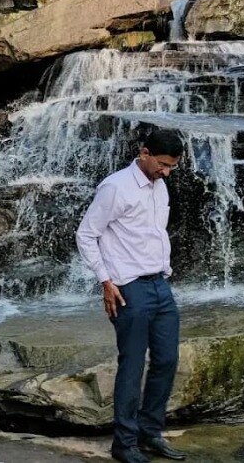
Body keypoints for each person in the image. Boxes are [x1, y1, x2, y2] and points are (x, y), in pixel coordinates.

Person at [76, 129, 187, 463]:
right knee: (132, 364)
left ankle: (150, 433)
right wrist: (105, 281)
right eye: (163, 164)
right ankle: (124, 445)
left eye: (172, 167)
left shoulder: (160, 185)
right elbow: (85, 234)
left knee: (166, 360)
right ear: (144, 153)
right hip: (129, 289)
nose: (166, 172)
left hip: (160, 286)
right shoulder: (115, 187)